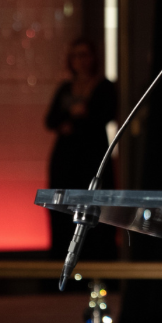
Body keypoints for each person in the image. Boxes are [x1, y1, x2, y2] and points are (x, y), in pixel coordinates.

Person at [45, 38, 118, 260]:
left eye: (84, 55)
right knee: (62, 212)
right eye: (76, 55)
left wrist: (78, 119)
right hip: (65, 160)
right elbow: (50, 120)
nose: (80, 60)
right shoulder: (65, 88)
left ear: (93, 57)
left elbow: (104, 115)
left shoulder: (104, 86)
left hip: (92, 158)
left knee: (94, 211)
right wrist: (71, 116)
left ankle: (96, 266)